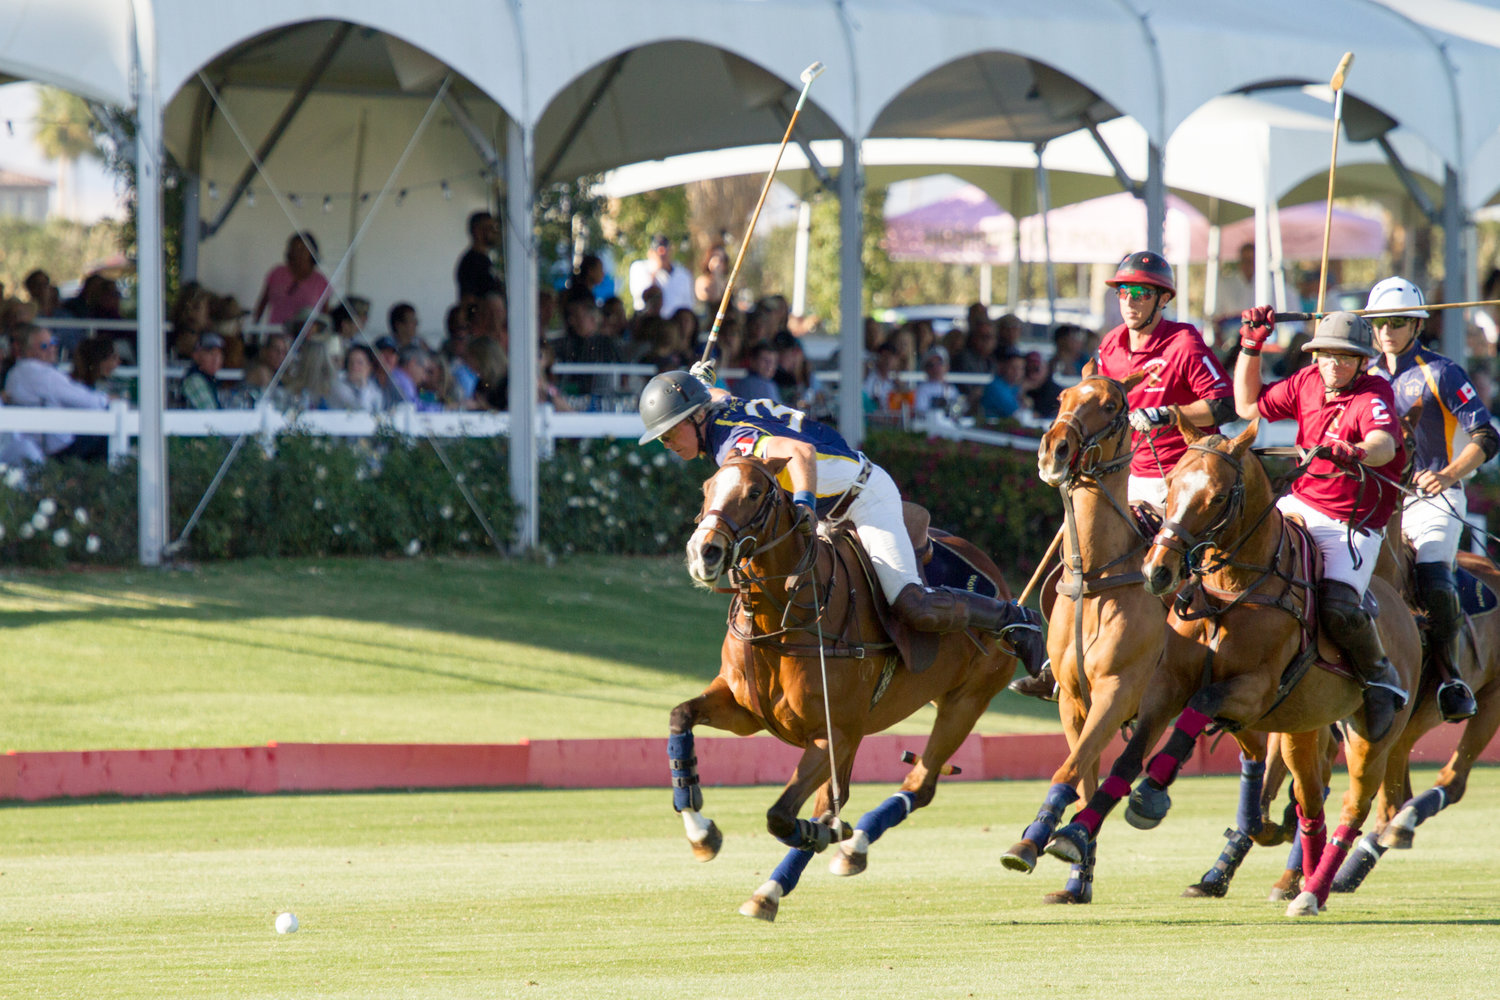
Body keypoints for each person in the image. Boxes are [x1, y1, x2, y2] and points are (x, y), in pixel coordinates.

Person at [636, 365, 1047, 674]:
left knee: (912, 604)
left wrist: (803, 507)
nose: (669, 443)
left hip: (861, 498)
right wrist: (702, 382)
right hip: (832, 500)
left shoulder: (733, 443)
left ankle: (1014, 619)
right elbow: (718, 392)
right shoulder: (718, 406)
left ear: (694, 418)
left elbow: (801, 454)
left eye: (671, 432)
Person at [1236, 308, 1409, 741]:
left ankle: (1379, 677)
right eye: (1327, 355)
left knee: (1337, 605)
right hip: (1301, 502)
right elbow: (1245, 404)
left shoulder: (1373, 394)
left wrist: (1356, 452)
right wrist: (1250, 346)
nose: (1335, 364)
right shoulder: (1307, 381)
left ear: (1363, 361)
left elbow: (1384, 443)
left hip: (1351, 521)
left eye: (1346, 357)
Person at [1368, 277, 1499, 721]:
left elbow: (1486, 435)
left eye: (1399, 322)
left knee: (1432, 575)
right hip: (1375, 503)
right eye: (1381, 321)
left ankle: (1449, 676)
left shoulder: (1441, 372)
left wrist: (1446, 475)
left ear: (1417, 325)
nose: (1388, 330)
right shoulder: (1363, 376)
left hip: (1431, 500)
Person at [1094, 251, 1234, 508]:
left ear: (1163, 299)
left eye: (1140, 293)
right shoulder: (1110, 344)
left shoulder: (1184, 342)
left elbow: (1225, 405)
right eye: (1123, 291)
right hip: (1128, 472)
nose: (1129, 301)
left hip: (1185, 474)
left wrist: (1168, 415)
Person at [3, 323, 110, 460]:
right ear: (28, 351)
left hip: (37, 444)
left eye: (53, 342)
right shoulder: (39, 373)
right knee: (103, 428)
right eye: (44, 346)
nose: (52, 348)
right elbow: (85, 400)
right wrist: (106, 399)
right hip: (55, 449)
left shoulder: (16, 373)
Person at [252, 231, 329, 325]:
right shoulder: (277, 273)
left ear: (312, 252)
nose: (298, 253)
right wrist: (254, 327)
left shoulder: (321, 281)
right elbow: (262, 303)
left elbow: (325, 316)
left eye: (303, 249)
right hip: (275, 333)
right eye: (295, 249)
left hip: (305, 336)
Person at [629, 234, 694, 317]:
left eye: (665, 250)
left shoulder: (683, 274)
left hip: (674, 324)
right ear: (650, 252)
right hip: (647, 321)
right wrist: (656, 270)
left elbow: (688, 305)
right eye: (658, 251)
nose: (662, 254)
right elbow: (641, 297)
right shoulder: (639, 268)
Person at [179, 333, 227, 409]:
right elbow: (210, 412)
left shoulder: (211, 380)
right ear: (196, 356)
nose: (215, 359)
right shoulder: (194, 380)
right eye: (211, 354)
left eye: (218, 354)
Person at [913, 345, 959, 416]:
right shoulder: (922, 389)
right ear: (925, 369)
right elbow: (921, 413)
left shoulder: (952, 390)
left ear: (947, 367)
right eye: (930, 365)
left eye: (939, 363)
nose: (935, 368)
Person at [695, 244, 730, 310]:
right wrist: (716, 274)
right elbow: (715, 299)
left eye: (721, 260)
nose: (718, 263)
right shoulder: (701, 281)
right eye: (715, 257)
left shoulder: (727, 284)